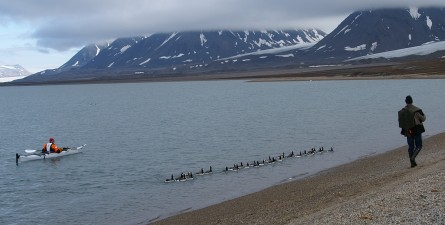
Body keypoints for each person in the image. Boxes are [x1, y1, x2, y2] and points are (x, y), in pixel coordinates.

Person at [398, 95, 426, 168]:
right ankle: (413, 158)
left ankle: (412, 163)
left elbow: (401, 122)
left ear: (405, 102)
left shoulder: (402, 111)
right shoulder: (416, 110)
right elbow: (423, 119)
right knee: (419, 145)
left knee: (411, 146)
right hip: (416, 129)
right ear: (412, 101)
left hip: (407, 131)